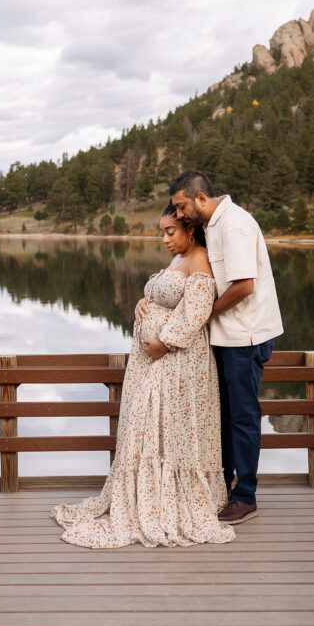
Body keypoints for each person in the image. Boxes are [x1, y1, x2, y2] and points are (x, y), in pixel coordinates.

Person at [51, 204, 235, 548]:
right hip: (152, 361)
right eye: (161, 232)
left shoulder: (199, 259)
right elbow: (169, 297)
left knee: (164, 428)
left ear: (190, 230)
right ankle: (144, 493)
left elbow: (196, 311)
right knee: (147, 427)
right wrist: (143, 301)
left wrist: (165, 342)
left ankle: (171, 499)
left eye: (171, 231)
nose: (164, 239)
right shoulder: (178, 259)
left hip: (177, 361)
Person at [167, 170, 283, 524]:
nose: (181, 214)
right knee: (225, 414)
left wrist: (204, 315)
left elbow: (244, 286)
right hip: (226, 335)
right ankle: (224, 487)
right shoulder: (213, 225)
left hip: (244, 337)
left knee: (243, 416)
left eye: (183, 206)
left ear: (201, 198)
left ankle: (245, 496)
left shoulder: (234, 225)